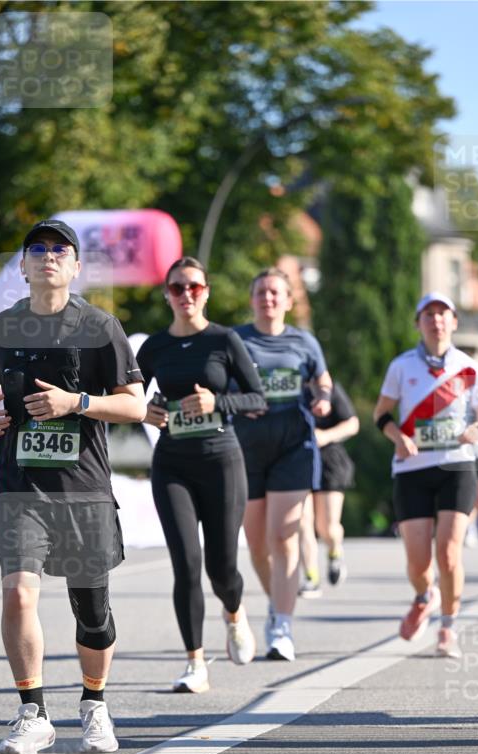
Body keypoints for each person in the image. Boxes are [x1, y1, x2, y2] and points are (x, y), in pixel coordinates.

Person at [0, 219, 146, 754]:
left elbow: (135, 404)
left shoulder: (99, 326)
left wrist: (78, 403)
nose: (48, 255)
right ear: (22, 266)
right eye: (37, 249)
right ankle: (33, 713)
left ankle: (94, 704)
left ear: (74, 266)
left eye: (59, 249)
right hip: (20, 486)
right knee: (19, 591)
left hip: (84, 490)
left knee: (91, 611)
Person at [137, 257, 265, 694]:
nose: (185, 295)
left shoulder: (224, 340)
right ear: (167, 295)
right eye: (177, 288)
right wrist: (147, 412)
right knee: (187, 566)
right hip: (173, 464)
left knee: (221, 567)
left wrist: (218, 403)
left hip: (221, 462)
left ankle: (234, 613)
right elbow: (131, 398)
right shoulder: (153, 348)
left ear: (206, 291)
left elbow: (257, 398)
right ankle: (195, 662)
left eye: (193, 287)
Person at [373, 292, 478, 659]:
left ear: (454, 322)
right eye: (429, 314)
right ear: (418, 323)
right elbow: (381, 414)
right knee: (418, 562)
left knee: (448, 552)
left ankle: (448, 626)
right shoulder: (401, 367)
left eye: (443, 314)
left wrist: (477, 429)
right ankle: (422, 596)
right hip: (412, 469)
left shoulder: (467, 367)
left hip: (456, 466)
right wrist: (397, 437)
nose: (436, 320)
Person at [234, 267, 332, 660]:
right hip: (247, 449)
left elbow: (323, 380)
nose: (268, 298)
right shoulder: (236, 340)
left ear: (289, 301)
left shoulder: (304, 342)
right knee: (257, 543)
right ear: (252, 299)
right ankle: (277, 603)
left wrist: (322, 397)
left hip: (293, 445)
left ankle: (283, 626)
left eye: (276, 293)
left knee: (284, 535)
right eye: (261, 292)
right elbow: (218, 381)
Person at [299, 381, 359, 597]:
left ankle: (334, 552)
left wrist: (325, 436)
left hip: (329, 461)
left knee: (326, 526)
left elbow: (352, 424)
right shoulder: (285, 387)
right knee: (302, 522)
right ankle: (311, 577)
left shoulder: (327, 387)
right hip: (297, 460)